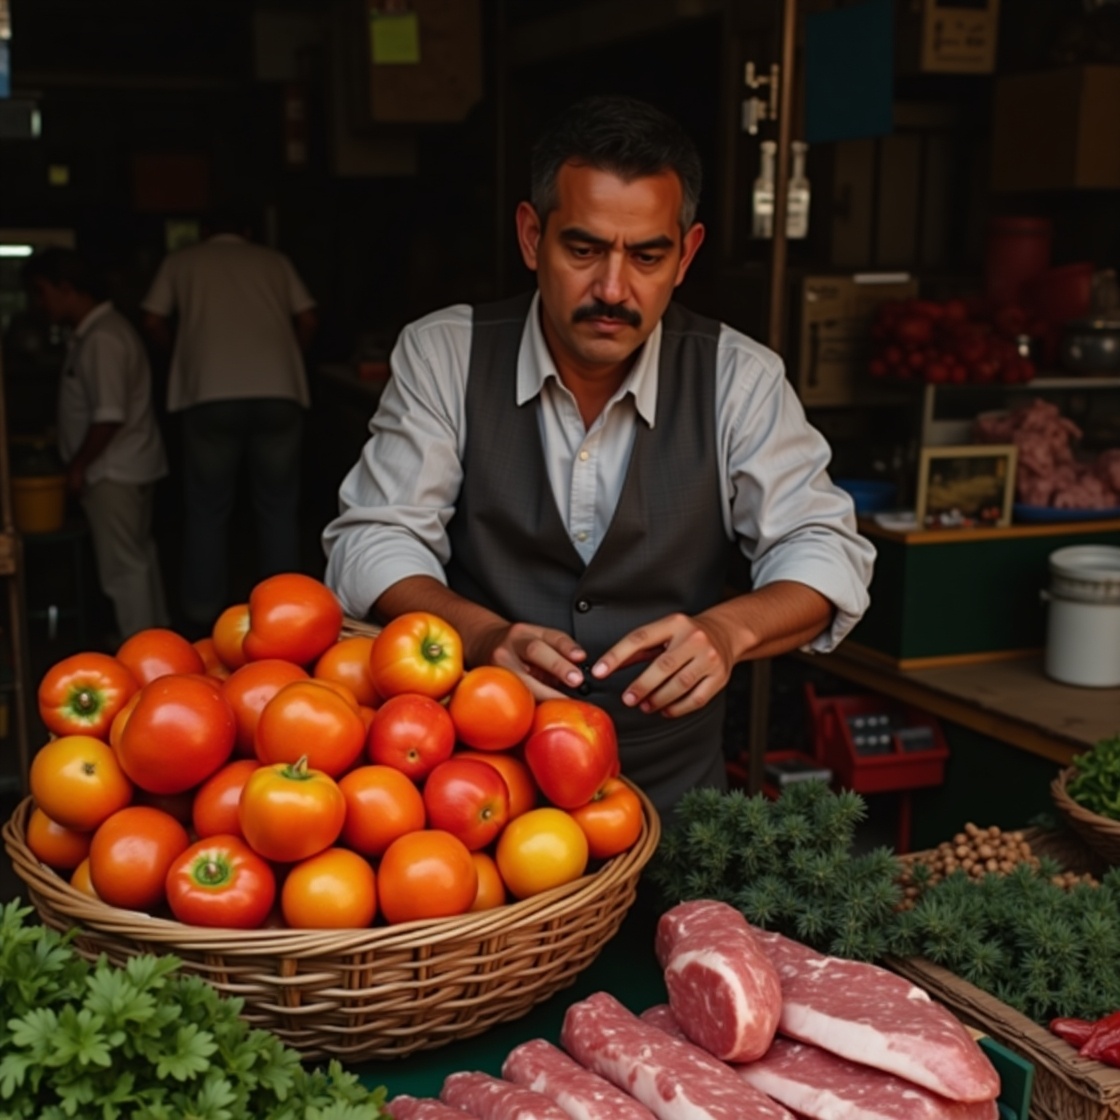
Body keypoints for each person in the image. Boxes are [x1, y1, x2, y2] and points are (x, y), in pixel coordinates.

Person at [322, 95, 876, 816]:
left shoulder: (739, 376)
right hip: (478, 796)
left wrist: (726, 631)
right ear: (530, 237)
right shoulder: (445, 355)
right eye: (583, 250)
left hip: (677, 803)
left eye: (647, 256)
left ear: (687, 255)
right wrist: (484, 636)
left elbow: (824, 550)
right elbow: (374, 539)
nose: (613, 290)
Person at [140, 205, 318, 635]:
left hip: (209, 393)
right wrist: (288, 357)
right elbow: (308, 317)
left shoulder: (182, 261)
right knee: (277, 507)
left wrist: (181, 354)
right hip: (278, 392)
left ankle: (201, 615)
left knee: (207, 508)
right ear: (247, 230)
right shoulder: (273, 261)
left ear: (203, 229)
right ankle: (290, 617)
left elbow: (151, 318)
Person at [23, 248, 170, 641]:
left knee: (124, 569)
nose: (39, 303)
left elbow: (109, 414)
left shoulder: (103, 338)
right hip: (124, 465)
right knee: (137, 560)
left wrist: (79, 465)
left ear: (65, 287)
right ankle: (156, 647)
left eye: (41, 292)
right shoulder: (98, 333)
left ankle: (143, 656)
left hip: (113, 469)